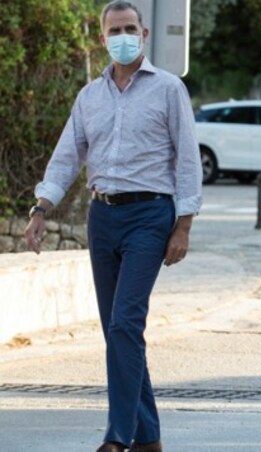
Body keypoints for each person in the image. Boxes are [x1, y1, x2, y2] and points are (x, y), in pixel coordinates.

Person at [23, 2, 202, 451]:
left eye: (130, 28)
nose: (123, 35)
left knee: (125, 322)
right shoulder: (90, 96)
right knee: (117, 331)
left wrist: (184, 225)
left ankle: (117, 436)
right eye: (114, 30)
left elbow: (188, 159)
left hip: (150, 215)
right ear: (102, 38)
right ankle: (150, 437)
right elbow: (67, 156)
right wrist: (41, 208)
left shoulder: (168, 89)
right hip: (102, 217)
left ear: (143, 35)